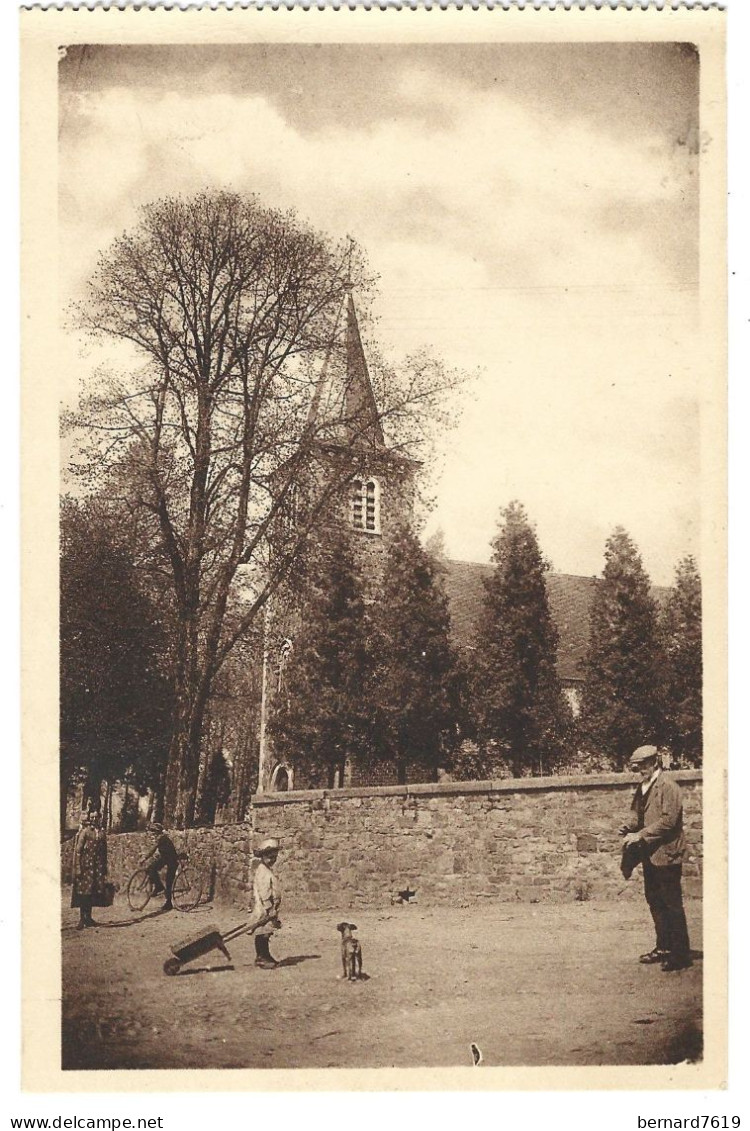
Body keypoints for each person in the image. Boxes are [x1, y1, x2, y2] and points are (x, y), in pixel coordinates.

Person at [620, 744, 692, 972]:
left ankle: (681, 955)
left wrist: (640, 834)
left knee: (672, 904)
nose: (638, 771)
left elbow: (669, 821)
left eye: (641, 767)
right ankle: (663, 947)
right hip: (650, 854)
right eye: (636, 767)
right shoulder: (643, 787)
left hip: (667, 854)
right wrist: (627, 827)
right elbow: (637, 815)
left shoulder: (668, 786)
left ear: (653, 763)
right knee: (655, 901)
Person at [71, 808, 108, 929]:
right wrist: (77, 867)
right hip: (86, 866)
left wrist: (104, 867)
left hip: (97, 867)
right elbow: (78, 850)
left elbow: (104, 851)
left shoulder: (102, 832)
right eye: (91, 817)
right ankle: (82, 919)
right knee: (84, 892)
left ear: (99, 818)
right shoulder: (85, 832)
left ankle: (89, 918)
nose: (94, 819)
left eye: (96, 817)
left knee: (92, 891)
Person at [249, 837, 282, 969]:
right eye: (269, 857)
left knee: (265, 933)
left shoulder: (266, 869)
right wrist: (269, 908)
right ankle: (262, 957)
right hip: (264, 908)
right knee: (263, 932)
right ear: (262, 856)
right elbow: (264, 892)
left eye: (274, 857)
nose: (272, 860)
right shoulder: (263, 871)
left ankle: (264, 955)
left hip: (267, 908)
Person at [142, 823, 179, 911]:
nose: (151, 834)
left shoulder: (161, 838)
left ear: (156, 832)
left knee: (169, 881)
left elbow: (153, 849)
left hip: (172, 860)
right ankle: (158, 886)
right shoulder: (161, 838)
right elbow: (162, 850)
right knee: (151, 868)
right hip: (165, 858)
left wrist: (145, 858)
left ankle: (168, 902)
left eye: (152, 831)